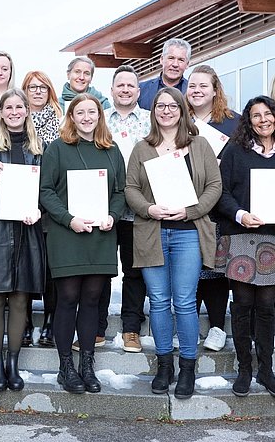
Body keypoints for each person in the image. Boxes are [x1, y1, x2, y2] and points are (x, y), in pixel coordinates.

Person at [125, 87, 222, 399]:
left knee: (183, 300)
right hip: (153, 232)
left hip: (188, 233)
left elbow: (214, 185)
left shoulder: (199, 145)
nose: (166, 110)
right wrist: (148, 208)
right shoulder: (142, 148)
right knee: (157, 300)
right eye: (160, 106)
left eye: (172, 106)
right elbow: (130, 188)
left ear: (182, 110)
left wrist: (190, 210)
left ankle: (188, 367)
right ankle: (165, 364)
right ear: (154, 111)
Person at [40, 93, 126, 394]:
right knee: (67, 298)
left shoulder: (111, 150)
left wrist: (113, 217)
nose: (87, 117)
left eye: (93, 112)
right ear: (72, 117)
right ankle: (66, 367)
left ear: (99, 116)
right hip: (68, 234)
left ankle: (87, 366)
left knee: (92, 299)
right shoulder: (57, 149)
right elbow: (46, 191)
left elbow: (119, 191)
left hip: (101, 235)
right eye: (81, 113)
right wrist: (69, 218)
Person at [0, 88, 45, 392]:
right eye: (8, 107)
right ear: (1, 113)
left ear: (27, 111)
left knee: (19, 297)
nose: (14, 111)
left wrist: (38, 209)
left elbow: (48, 189)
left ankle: (13, 363)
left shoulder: (40, 149)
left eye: (19, 107)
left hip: (27, 230)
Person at [216, 95, 275, 398]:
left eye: (268, 114)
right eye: (256, 115)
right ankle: (244, 369)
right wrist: (240, 214)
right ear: (248, 121)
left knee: (266, 306)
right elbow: (221, 192)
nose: (263, 120)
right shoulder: (235, 151)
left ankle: (266, 369)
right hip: (241, 236)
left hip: (273, 240)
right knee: (242, 306)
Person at [186, 64, 240, 352]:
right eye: (192, 86)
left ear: (215, 90)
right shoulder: (179, 120)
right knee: (189, 267)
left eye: (203, 86)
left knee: (215, 268)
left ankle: (217, 326)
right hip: (187, 205)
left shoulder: (234, 123)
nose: (196, 90)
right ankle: (189, 324)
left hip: (220, 207)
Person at [103, 65, 151, 354]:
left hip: (138, 209)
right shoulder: (99, 120)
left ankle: (131, 328)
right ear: (111, 90)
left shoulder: (149, 121)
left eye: (130, 86)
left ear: (138, 91)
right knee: (102, 271)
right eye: (119, 85)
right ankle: (96, 328)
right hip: (103, 208)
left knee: (134, 272)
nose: (124, 90)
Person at [21, 70, 62, 348]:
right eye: (31, 87)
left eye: (42, 87)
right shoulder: (16, 120)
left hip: (52, 201)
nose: (37, 92)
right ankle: (24, 321)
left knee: (50, 267)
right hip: (21, 201)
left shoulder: (61, 122)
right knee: (23, 263)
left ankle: (50, 321)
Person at [138, 39, 191, 110]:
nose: (175, 64)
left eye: (181, 60)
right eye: (171, 58)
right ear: (161, 59)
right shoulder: (141, 89)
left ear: (187, 64)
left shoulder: (192, 92)